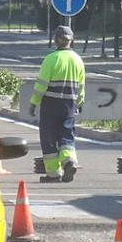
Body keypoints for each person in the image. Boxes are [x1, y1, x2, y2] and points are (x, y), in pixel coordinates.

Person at [30, 26, 85, 183]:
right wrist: (79, 102)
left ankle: (53, 174)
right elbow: (81, 86)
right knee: (66, 135)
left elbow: (41, 85)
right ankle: (69, 162)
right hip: (69, 105)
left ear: (56, 39)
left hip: (51, 105)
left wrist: (33, 103)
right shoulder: (78, 60)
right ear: (71, 40)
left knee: (48, 138)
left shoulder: (51, 59)